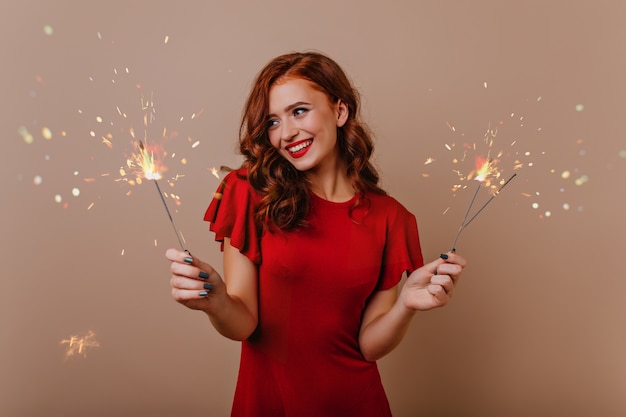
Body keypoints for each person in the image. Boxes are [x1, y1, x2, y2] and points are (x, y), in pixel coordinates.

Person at [165, 51, 466, 417]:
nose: (286, 133)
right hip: (269, 405)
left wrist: (405, 306)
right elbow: (244, 321)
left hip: (358, 404)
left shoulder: (392, 218)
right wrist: (215, 300)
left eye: (299, 111)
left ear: (340, 111)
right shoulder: (248, 192)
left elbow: (368, 346)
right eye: (273, 121)